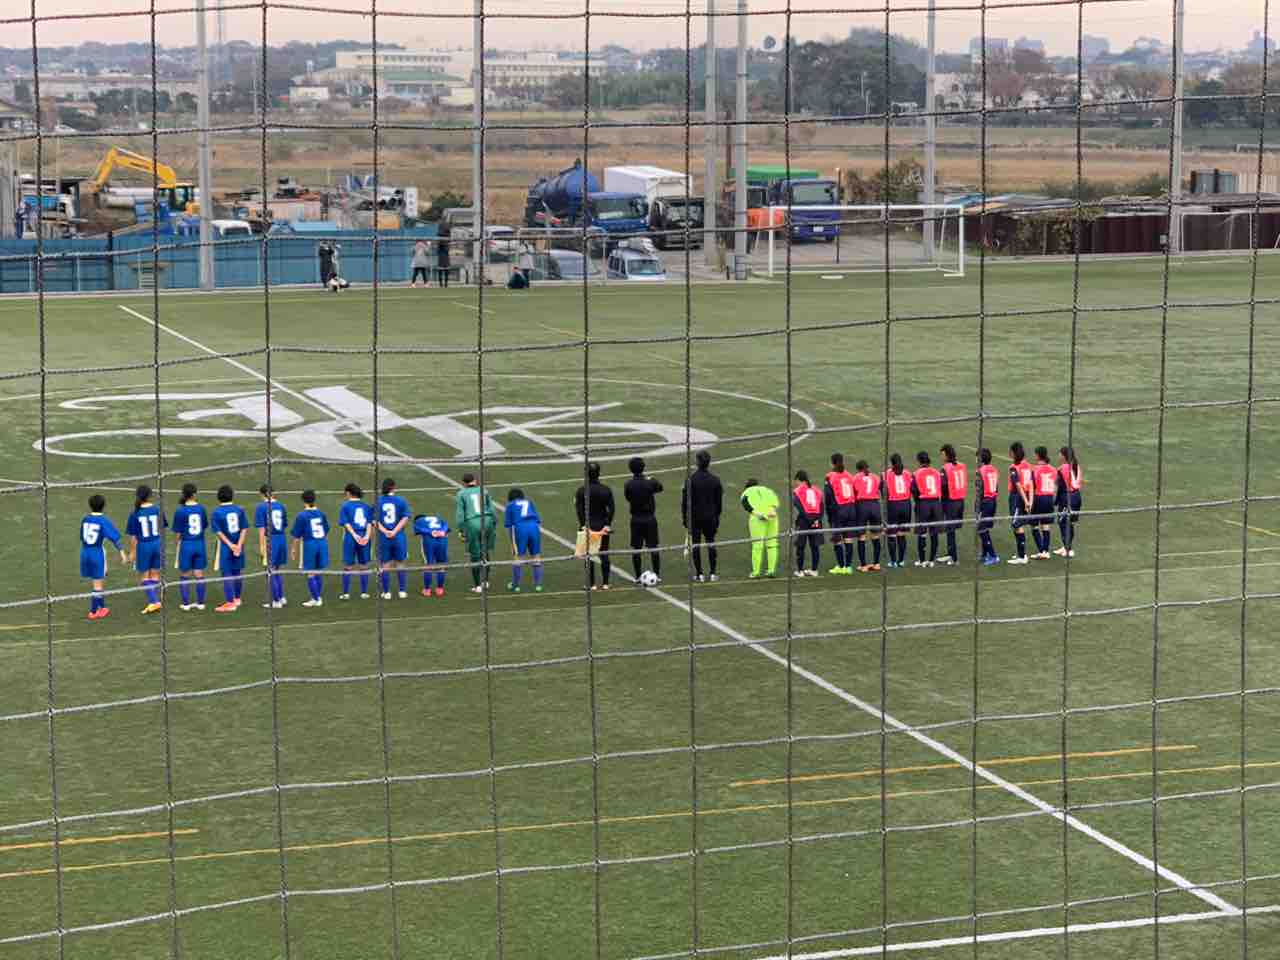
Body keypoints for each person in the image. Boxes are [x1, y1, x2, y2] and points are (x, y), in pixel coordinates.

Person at [79, 494, 127, 621]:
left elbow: (82, 537)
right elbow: (114, 538)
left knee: (97, 581)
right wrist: (122, 552)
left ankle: (102, 607)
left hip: (85, 552)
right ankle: (93, 611)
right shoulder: (103, 520)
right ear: (103, 506)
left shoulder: (85, 519)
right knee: (98, 584)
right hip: (96, 553)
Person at [681, 450, 723, 582]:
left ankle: (699, 574)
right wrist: (716, 517)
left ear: (697, 462)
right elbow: (719, 502)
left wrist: (685, 519)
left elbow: (685, 502)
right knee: (711, 542)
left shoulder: (690, 480)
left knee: (696, 545)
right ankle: (713, 573)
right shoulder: (715, 480)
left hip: (695, 518)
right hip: (710, 517)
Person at [126, 484, 167, 614]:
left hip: (144, 546)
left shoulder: (135, 514)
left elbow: (133, 537)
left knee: (144, 576)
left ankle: (154, 601)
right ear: (150, 496)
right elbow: (162, 527)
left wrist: (132, 553)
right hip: (157, 543)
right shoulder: (157, 510)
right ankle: (154, 600)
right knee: (155, 573)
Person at [575, 462, 615, 590]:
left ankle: (591, 584)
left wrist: (583, 525)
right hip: (602, 526)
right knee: (604, 554)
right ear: (599, 473)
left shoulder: (581, 491)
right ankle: (606, 583)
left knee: (589, 555)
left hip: (589, 526)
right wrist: (607, 525)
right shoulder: (606, 489)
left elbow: (580, 511)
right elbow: (612, 509)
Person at [455, 473, 498, 593]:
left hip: (473, 523)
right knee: (485, 551)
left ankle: (477, 585)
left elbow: (460, 515)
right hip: (487, 521)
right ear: (475, 481)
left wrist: (461, 530)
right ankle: (486, 581)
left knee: (475, 555)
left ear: (463, 483)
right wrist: (494, 522)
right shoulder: (484, 490)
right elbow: (492, 509)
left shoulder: (461, 494)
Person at [624, 457, 664, 584]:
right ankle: (657, 574)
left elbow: (628, 497)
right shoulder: (650, 482)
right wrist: (651, 479)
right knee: (653, 547)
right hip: (650, 518)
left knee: (636, 549)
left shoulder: (628, 484)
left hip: (636, 519)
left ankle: (637, 576)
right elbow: (660, 487)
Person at [172, 482, 209, 611]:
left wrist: (177, 543)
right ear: (194, 494)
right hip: (199, 543)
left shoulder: (180, 511)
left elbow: (178, 531)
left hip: (186, 544)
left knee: (185, 574)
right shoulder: (201, 509)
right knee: (199, 573)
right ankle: (200, 603)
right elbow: (204, 526)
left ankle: (186, 603)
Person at [211, 485, 248, 612]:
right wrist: (238, 544)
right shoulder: (239, 510)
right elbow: (244, 528)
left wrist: (230, 545)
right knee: (237, 572)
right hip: (239, 545)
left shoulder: (217, 512)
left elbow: (219, 532)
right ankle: (237, 598)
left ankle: (230, 602)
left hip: (226, 547)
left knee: (227, 573)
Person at [291, 490, 330, 608]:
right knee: (318, 571)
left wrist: (293, 550)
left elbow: (296, 536)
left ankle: (316, 599)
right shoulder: (321, 513)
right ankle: (318, 596)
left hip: (310, 545)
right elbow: (326, 531)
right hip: (322, 543)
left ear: (304, 501)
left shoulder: (301, 516)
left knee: (310, 573)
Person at [504, 488, 544, 593]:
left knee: (518, 557)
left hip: (520, 528)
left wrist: (513, 545)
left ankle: (515, 585)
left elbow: (509, 525)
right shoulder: (529, 502)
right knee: (536, 556)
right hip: (534, 527)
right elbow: (538, 519)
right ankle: (538, 585)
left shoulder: (510, 505)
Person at [377, 477, 411, 599]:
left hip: (384, 537)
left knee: (385, 564)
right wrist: (395, 531)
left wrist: (386, 531)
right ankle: (402, 591)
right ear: (394, 487)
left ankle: (386, 592)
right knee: (400, 563)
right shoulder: (401, 500)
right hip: (398, 537)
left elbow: (374, 520)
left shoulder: (378, 501)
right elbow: (405, 517)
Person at [824, 453, 858, 575]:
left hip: (839, 510)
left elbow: (828, 497)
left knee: (837, 539)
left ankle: (840, 565)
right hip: (851, 509)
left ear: (832, 463)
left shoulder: (830, 477)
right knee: (848, 538)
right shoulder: (849, 475)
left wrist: (829, 515)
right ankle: (848, 567)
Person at [338, 483, 373, 600]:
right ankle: (364, 593)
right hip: (364, 536)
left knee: (348, 565)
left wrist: (354, 535)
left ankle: (346, 593)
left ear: (348, 493)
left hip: (351, 537)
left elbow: (346, 523)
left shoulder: (345, 506)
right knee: (364, 565)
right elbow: (369, 523)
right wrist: (367, 536)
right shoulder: (366, 506)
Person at [256, 485, 289, 609]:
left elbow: (261, 530)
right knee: (277, 570)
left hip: (270, 540)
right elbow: (284, 524)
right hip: (281, 538)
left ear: (262, 494)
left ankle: (276, 601)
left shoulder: (261, 507)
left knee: (270, 571)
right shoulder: (281, 506)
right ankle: (281, 597)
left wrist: (262, 547)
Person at [742, 478, 780, 578]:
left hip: (758, 520)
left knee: (757, 545)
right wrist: (771, 511)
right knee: (772, 544)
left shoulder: (746, 492)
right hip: (773, 517)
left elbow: (746, 505)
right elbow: (774, 502)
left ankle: (756, 572)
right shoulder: (767, 490)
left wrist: (759, 515)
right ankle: (771, 571)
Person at [912, 452, 943, 567]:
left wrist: (918, 502)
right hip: (936, 503)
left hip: (923, 503)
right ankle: (931, 560)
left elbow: (914, 490)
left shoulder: (916, 473)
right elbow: (942, 486)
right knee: (934, 533)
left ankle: (922, 560)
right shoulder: (936, 472)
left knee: (922, 532)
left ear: (919, 461)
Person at [939, 444, 968, 566]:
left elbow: (943, 485)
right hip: (960, 500)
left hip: (950, 501)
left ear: (946, 454)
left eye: (942, 454)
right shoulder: (961, 466)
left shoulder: (945, 468)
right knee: (951, 528)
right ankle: (950, 553)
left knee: (950, 528)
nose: (941, 457)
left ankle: (954, 557)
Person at [852, 459, 883, 572]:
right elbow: (881, 489)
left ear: (858, 469)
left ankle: (864, 565)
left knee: (862, 536)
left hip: (862, 506)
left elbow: (854, 492)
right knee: (875, 536)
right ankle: (876, 563)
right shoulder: (875, 477)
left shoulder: (855, 478)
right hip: (875, 505)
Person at [1007, 441, 1035, 565]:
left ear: (1013, 453)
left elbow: (1018, 485)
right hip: (1026, 496)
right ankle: (1020, 554)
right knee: (1018, 524)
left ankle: (1022, 556)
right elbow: (1031, 484)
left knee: (1017, 525)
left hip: (1017, 498)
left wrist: (1025, 501)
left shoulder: (1014, 468)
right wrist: (1030, 500)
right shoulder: (1028, 466)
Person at [792, 470, 824, 577]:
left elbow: (799, 506)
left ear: (799, 480)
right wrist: (817, 519)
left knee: (800, 545)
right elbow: (821, 506)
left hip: (804, 520)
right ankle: (814, 570)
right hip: (816, 520)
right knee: (815, 545)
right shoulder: (817, 490)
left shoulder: (797, 491)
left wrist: (807, 518)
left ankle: (800, 571)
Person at [883, 454, 912, 569]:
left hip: (893, 504)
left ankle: (893, 561)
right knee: (902, 533)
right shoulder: (907, 473)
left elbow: (883, 490)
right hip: (906, 504)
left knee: (891, 534)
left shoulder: (887, 474)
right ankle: (901, 561)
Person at [1030, 446, 1059, 560]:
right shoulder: (1053, 469)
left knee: (1034, 525)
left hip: (1038, 498)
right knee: (1046, 525)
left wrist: (1030, 503)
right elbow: (1055, 486)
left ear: (1037, 455)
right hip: (1049, 498)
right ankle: (1045, 551)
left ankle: (1041, 550)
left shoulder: (1035, 469)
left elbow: (1032, 487)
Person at [1055, 446, 1083, 558]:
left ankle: (1069, 549)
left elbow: (1059, 486)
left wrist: (1056, 500)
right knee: (1070, 523)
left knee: (1063, 523)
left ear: (1063, 455)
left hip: (1067, 498)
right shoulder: (1077, 466)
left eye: (1060, 454)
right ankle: (1066, 546)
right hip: (1077, 497)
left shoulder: (1062, 468)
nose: (1058, 456)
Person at [414, 512, 450, 597]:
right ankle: (439, 589)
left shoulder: (418, 521)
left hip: (429, 540)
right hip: (442, 540)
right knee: (441, 565)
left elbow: (419, 530)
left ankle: (427, 590)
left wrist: (431, 532)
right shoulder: (437, 518)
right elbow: (446, 527)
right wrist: (442, 532)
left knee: (428, 565)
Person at [976, 448, 1001, 565]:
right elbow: (996, 487)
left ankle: (993, 555)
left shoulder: (980, 471)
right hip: (993, 500)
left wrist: (978, 507)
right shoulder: (994, 469)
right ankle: (985, 554)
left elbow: (979, 491)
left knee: (981, 529)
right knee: (985, 528)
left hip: (985, 502)